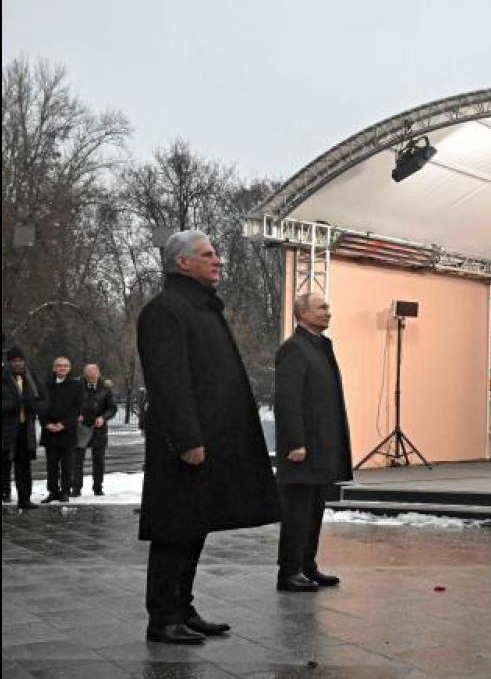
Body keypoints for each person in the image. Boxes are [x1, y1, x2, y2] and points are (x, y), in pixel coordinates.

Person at [137, 230, 279, 645]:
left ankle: (183, 607)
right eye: (208, 254)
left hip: (210, 438)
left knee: (194, 526)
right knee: (174, 529)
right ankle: (162, 617)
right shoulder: (165, 310)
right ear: (182, 263)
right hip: (184, 444)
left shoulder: (200, 308)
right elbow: (169, 382)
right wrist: (187, 439)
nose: (218, 260)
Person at [274, 292, 353, 592]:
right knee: (297, 512)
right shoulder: (294, 349)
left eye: (328, 307)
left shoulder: (319, 347)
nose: (328, 312)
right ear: (302, 313)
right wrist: (295, 442)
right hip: (302, 449)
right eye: (321, 308)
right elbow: (288, 400)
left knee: (314, 509)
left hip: (321, 448)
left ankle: (307, 566)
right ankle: (289, 571)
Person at [2, 347, 42, 509]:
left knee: (24, 467)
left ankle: (24, 499)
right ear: (9, 362)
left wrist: (35, 405)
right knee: (4, 465)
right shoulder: (4, 377)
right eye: (14, 361)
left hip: (26, 429)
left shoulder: (30, 376)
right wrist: (14, 404)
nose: (18, 363)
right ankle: (4, 495)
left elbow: (42, 398)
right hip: (6, 430)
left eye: (20, 360)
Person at [39, 357, 83, 503]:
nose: (62, 368)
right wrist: (46, 424)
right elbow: (40, 407)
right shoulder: (45, 385)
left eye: (65, 366)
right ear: (54, 368)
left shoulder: (76, 386)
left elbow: (77, 408)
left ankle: (65, 491)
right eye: (59, 366)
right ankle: (53, 491)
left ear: (69, 369)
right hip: (49, 431)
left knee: (67, 465)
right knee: (51, 465)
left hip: (67, 431)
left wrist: (64, 424)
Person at [73, 364, 117, 497]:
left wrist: (103, 418)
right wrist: (75, 414)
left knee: (99, 460)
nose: (91, 380)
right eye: (88, 377)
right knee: (77, 460)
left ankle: (98, 487)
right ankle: (76, 488)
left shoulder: (105, 388)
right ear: (84, 375)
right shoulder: (76, 385)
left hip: (99, 428)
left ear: (98, 374)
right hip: (80, 428)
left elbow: (112, 408)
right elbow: (70, 403)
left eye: (93, 377)